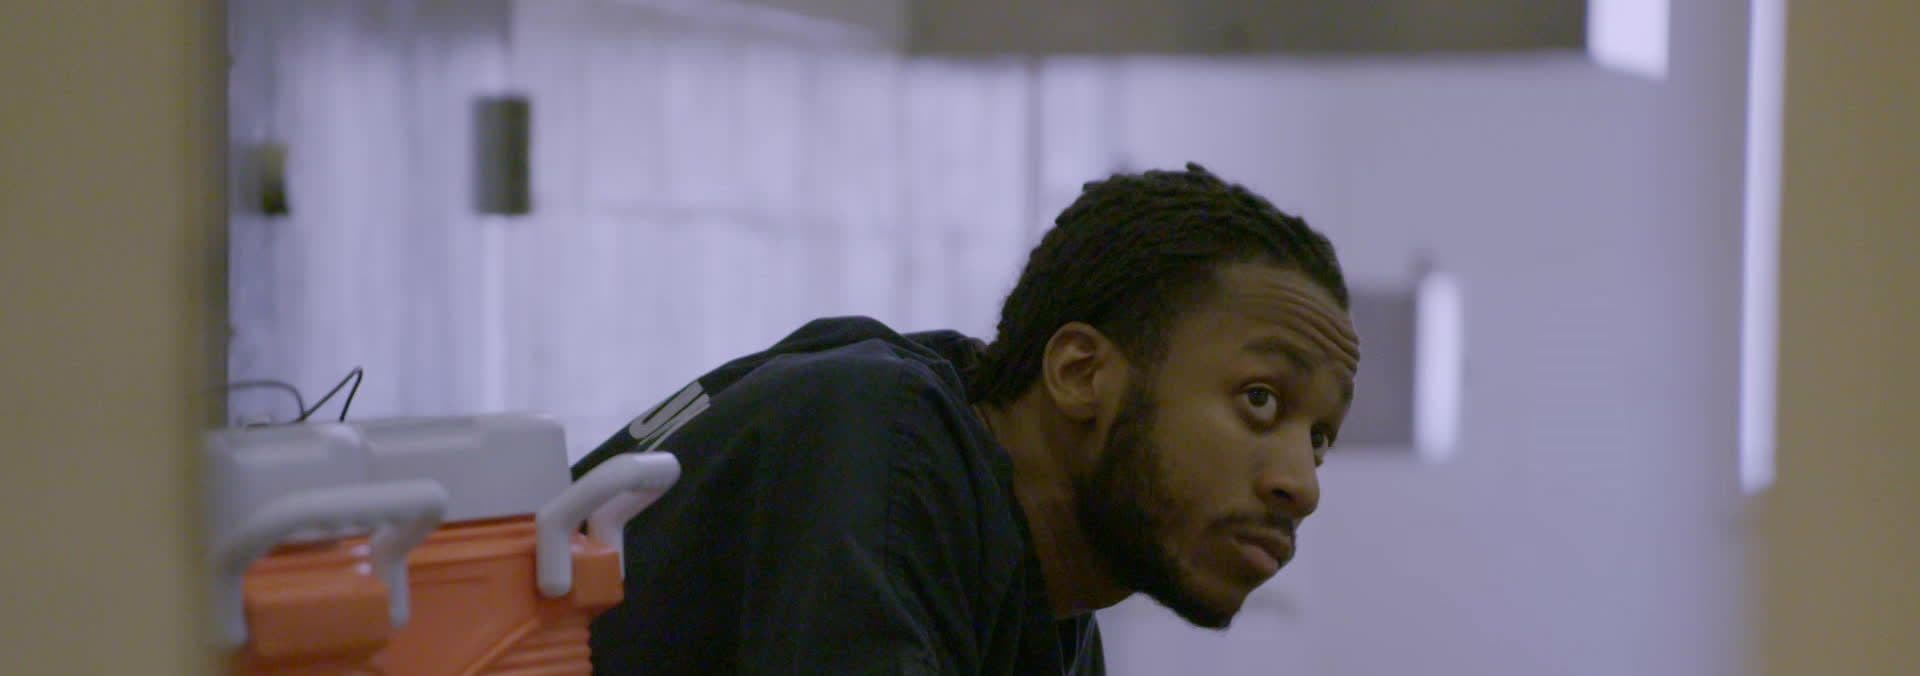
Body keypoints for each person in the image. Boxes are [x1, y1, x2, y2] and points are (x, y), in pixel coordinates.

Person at [572, 163, 1360, 675]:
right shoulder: (879, 437)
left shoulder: (1049, 619)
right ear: (1081, 373)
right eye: (1261, 399)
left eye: (1320, 439)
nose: (1302, 485)